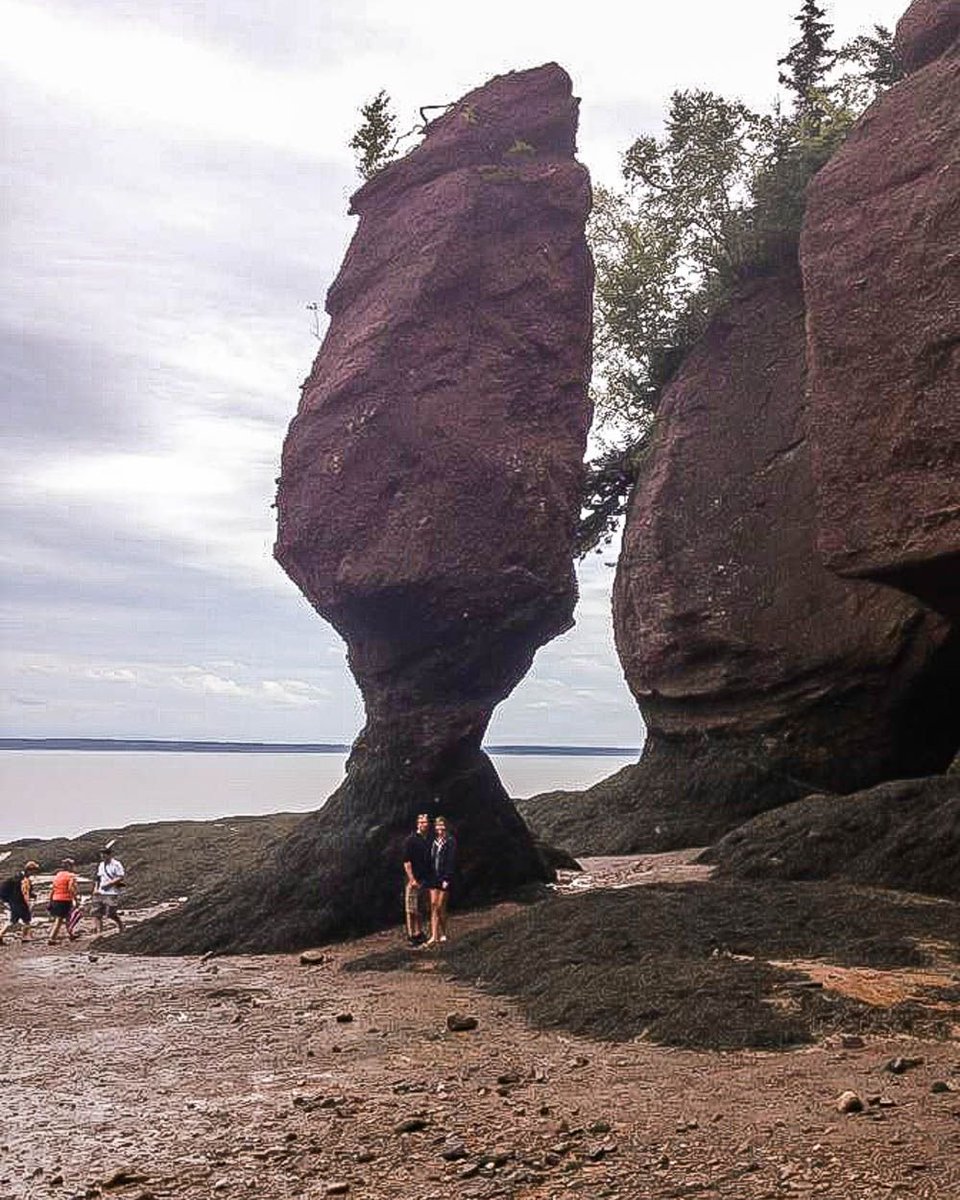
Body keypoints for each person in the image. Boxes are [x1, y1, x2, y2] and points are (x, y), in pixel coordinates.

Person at [424, 815, 456, 948]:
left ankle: (443, 933)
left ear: (445, 826)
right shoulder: (434, 841)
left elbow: (451, 861)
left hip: (444, 878)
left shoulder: (450, 841)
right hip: (433, 877)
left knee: (440, 906)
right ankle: (434, 935)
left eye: (442, 825)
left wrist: (447, 878)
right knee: (433, 905)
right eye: (437, 826)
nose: (440, 828)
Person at [402, 813, 433, 946]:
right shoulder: (410, 840)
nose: (423, 824)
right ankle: (411, 935)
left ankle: (419, 933)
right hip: (413, 879)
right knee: (411, 908)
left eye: (425, 822)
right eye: (421, 822)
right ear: (417, 824)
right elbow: (407, 862)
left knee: (419, 908)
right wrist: (412, 879)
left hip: (425, 878)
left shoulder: (428, 839)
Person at [0, 861, 40, 944]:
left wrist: (7, 900)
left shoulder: (16, 877)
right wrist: (29, 899)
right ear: (30, 870)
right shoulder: (23, 879)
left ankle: (23, 937)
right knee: (24, 920)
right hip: (20, 903)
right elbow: (23, 892)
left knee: (18, 921)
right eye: (34, 871)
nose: (34, 873)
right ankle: (24, 937)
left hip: (14, 902)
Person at [90, 846, 125, 934]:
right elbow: (98, 878)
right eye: (101, 855)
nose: (102, 857)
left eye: (104, 855)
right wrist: (95, 889)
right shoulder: (101, 865)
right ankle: (99, 932)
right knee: (96, 913)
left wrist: (109, 884)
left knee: (110, 913)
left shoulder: (116, 864)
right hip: (100, 892)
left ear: (109, 855)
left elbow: (120, 877)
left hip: (111, 892)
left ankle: (120, 925)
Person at [47, 858, 79, 945]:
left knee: (68, 917)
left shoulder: (58, 875)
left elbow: (53, 889)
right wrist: (76, 899)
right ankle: (52, 938)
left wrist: (50, 900)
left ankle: (71, 934)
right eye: (72, 865)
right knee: (60, 919)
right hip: (65, 899)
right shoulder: (71, 876)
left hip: (55, 898)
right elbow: (71, 888)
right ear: (70, 866)